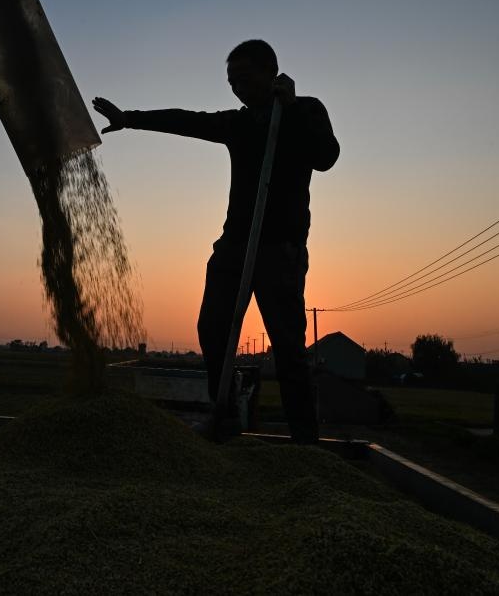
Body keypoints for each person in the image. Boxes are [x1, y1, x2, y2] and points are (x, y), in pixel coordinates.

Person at [92, 39, 339, 444]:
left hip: (280, 251)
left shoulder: (305, 110)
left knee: (288, 347)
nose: (236, 88)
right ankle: (222, 416)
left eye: (243, 78)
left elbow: (326, 157)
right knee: (213, 328)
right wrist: (130, 118)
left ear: (270, 73)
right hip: (234, 247)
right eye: (230, 82)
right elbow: (187, 120)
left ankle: (305, 443)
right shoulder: (237, 124)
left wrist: (290, 108)